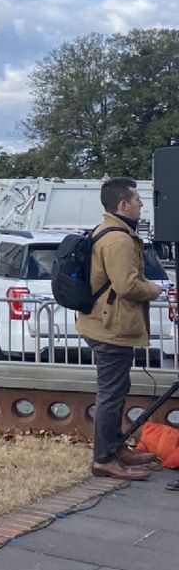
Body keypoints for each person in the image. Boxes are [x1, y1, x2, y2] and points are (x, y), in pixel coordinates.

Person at [75, 177, 163, 481]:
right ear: (123, 205)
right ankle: (104, 459)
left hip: (105, 323)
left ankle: (115, 449)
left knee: (115, 389)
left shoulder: (110, 232)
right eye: (137, 199)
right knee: (111, 393)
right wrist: (155, 289)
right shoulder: (119, 239)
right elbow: (127, 285)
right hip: (109, 326)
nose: (141, 204)